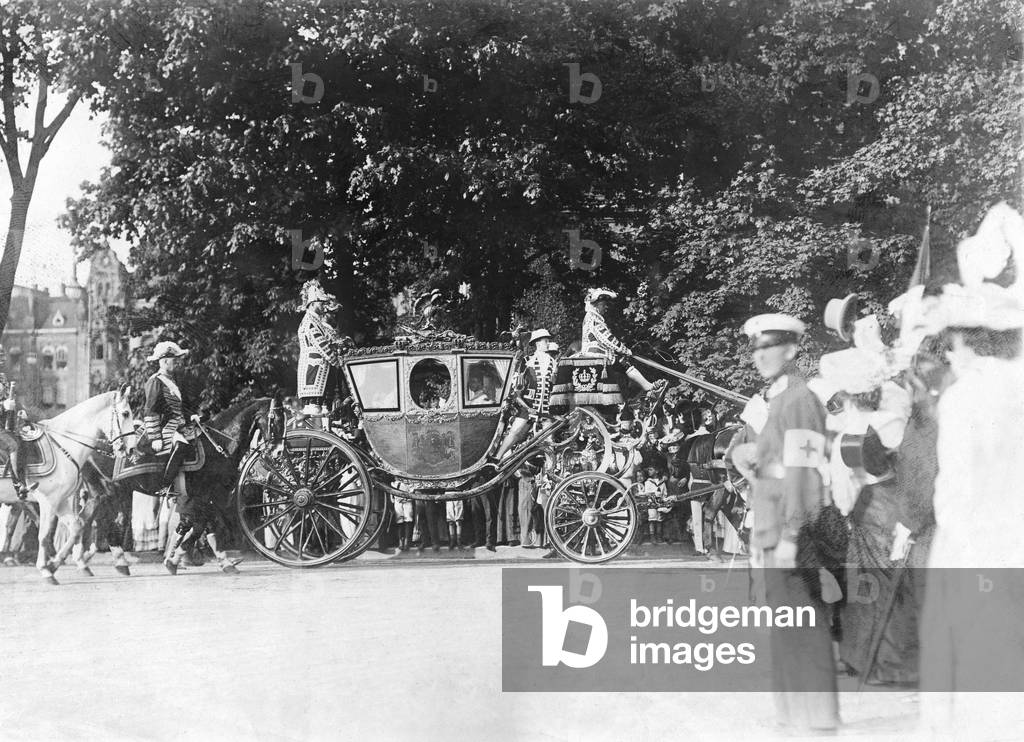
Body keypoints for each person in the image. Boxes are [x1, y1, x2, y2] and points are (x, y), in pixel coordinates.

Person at [732, 313, 839, 734]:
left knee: (803, 624)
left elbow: (805, 472)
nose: (759, 357)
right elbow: (767, 459)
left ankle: (816, 719)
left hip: (792, 531)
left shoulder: (799, 400)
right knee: (784, 624)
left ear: (792, 351)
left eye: (768, 348)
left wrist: (794, 533)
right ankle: (793, 714)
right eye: (755, 349)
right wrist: (746, 456)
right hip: (771, 524)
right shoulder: (776, 401)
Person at [580, 288, 667, 401]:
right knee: (623, 363)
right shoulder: (594, 319)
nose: (606, 308)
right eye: (604, 305)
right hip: (596, 355)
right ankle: (648, 389)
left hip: (597, 353)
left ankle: (642, 392)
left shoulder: (591, 317)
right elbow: (607, 339)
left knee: (622, 364)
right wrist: (626, 350)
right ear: (596, 305)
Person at [142, 341, 200, 500]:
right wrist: (155, 437)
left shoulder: (172, 380)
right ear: (164, 361)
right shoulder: (155, 381)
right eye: (174, 360)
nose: (177, 363)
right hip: (164, 428)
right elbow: (150, 410)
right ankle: (164, 485)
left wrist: (190, 416)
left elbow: (179, 408)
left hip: (178, 425)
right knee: (181, 445)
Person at [493, 329, 557, 461]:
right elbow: (516, 392)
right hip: (527, 406)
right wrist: (528, 408)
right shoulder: (527, 361)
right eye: (546, 341)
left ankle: (550, 470)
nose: (548, 343)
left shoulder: (553, 363)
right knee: (515, 432)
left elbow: (553, 386)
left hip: (545, 409)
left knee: (549, 439)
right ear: (538, 344)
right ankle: (497, 458)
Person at [297, 279, 350, 418]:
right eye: (321, 303)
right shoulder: (309, 321)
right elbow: (321, 344)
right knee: (314, 408)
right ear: (313, 304)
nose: (323, 306)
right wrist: (336, 361)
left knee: (321, 406)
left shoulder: (314, 320)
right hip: (315, 367)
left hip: (320, 367)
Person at [0, 370, 35, 499]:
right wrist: (3, 405)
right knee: (13, 445)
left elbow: (12, 400)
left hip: (6, 428)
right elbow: (5, 403)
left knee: (23, 440)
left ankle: (25, 482)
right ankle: (18, 484)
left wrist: (22, 412)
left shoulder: (3, 378)